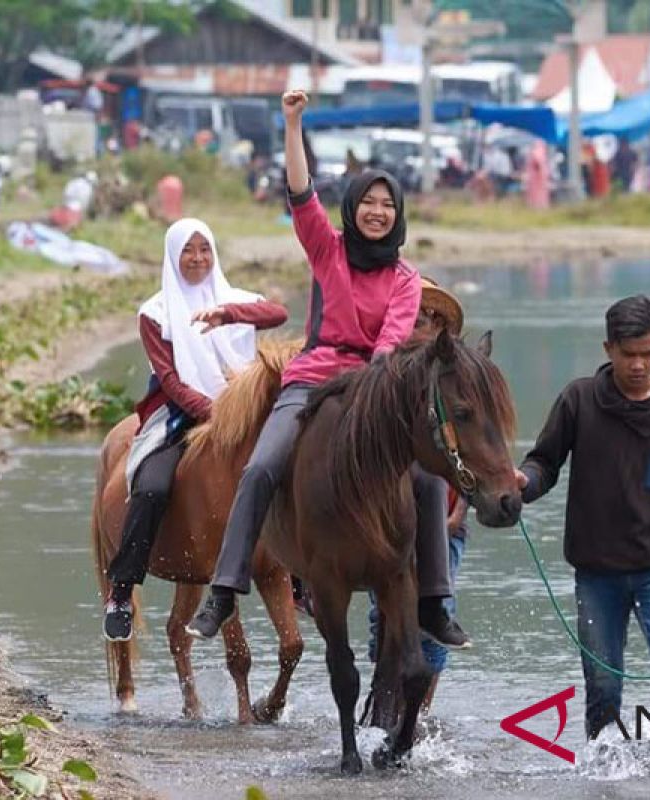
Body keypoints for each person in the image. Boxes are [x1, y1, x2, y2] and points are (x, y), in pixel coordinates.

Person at [187, 89, 468, 648]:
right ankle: (224, 588)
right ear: (353, 206)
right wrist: (293, 124)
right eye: (369, 202)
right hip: (314, 379)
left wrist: (378, 378)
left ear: (398, 216)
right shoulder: (327, 249)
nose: (377, 212)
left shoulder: (407, 278)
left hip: (375, 386)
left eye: (387, 205)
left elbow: (391, 338)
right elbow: (299, 192)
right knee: (262, 466)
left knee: (428, 480)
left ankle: (435, 602)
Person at [515, 295, 650, 744]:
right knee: (603, 682)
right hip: (597, 573)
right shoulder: (578, 400)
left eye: (647, 354)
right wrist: (523, 484)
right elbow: (544, 463)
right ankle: (603, 766)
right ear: (608, 348)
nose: (638, 364)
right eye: (628, 354)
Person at [102, 219, 289, 641]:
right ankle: (123, 588)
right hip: (180, 414)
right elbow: (170, 381)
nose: (198, 258)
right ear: (173, 255)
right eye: (189, 250)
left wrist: (228, 314)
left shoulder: (234, 299)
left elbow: (279, 313)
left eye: (205, 249)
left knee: (298, 467)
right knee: (150, 486)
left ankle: (300, 577)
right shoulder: (155, 312)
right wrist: (216, 414)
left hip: (243, 407)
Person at [367, 277, 470, 709]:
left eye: (433, 320)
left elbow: (475, 451)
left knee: (436, 609)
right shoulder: (381, 382)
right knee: (384, 616)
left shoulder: (458, 382)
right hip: (387, 519)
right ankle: (384, 699)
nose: (423, 327)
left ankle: (420, 709)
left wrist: (462, 509)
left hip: (446, 517)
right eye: (415, 317)